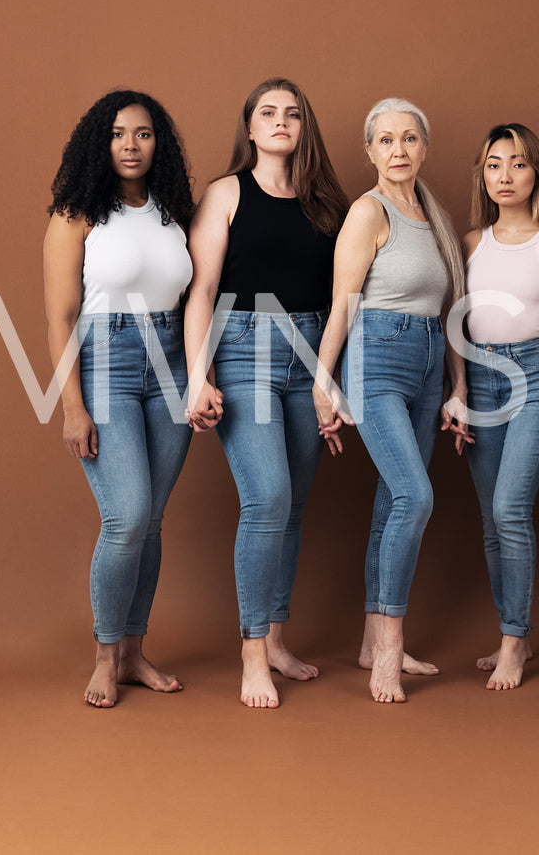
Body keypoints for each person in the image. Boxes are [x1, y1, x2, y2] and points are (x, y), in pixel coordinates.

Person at [184, 78, 349, 709]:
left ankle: (277, 637)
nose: (281, 122)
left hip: (310, 354)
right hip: (243, 349)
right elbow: (201, 291)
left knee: (295, 503)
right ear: (249, 128)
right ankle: (252, 652)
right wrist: (199, 375)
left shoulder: (325, 203)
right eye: (268, 113)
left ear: (305, 127)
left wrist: (331, 380)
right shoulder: (225, 194)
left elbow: (339, 301)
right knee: (268, 496)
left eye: (293, 114)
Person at [310, 98, 470, 704]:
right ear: (370, 151)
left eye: (408, 139)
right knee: (413, 494)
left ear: (424, 148)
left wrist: (458, 387)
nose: (398, 151)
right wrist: (325, 384)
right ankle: (391, 648)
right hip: (377, 358)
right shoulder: (366, 213)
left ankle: (371, 638)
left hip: (430, 361)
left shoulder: (435, 216)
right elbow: (342, 305)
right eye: (385, 141)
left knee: (389, 503)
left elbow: (450, 310)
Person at [43, 90, 197, 708]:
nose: (130, 145)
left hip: (173, 365)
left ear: (159, 143)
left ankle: (134, 653)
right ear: (97, 143)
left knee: (152, 520)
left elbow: (195, 297)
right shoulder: (76, 215)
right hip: (105, 359)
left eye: (143, 133)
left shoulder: (173, 211)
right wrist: (70, 406)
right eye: (117, 134)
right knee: (126, 514)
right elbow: (60, 318)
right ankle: (106, 657)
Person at [458, 123, 539, 690]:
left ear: (538, 172)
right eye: (493, 164)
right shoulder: (468, 244)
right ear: (483, 175)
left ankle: (513, 636)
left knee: (511, 509)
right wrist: (458, 393)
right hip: (479, 378)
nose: (505, 175)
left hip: (535, 374)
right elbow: (452, 325)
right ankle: (516, 633)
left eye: (517, 164)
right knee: (491, 521)